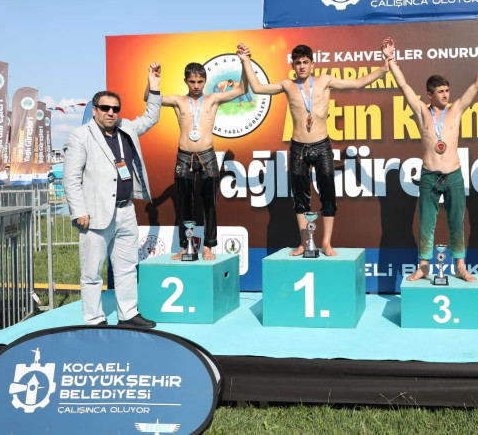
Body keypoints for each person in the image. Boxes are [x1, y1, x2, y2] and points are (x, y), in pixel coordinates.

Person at [240, 41, 391, 256]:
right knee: (300, 197)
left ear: (313, 64)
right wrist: (246, 61)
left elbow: (357, 83)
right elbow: (257, 88)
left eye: (305, 62)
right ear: (292, 65)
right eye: (298, 63)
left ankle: (326, 243)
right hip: (298, 147)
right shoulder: (287, 85)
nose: (302, 66)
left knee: (328, 194)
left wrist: (384, 67)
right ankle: (304, 243)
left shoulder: (325, 81)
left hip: (321, 145)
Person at [385, 32, 478, 282]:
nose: (445, 95)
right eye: (440, 91)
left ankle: (460, 266)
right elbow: (403, 86)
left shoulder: (457, 110)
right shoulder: (422, 112)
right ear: (429, 95)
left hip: (453, 175)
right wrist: (390, 59)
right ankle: (423, 266)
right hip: (429, 175)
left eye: (447, 90)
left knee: (456, 223)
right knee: (426, 224)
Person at [63, 64, 162, 328]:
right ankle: (94, 319)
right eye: (105, 108)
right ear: (94, 110)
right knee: (92, 272)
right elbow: (71, 178)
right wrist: (79, 211)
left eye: (115, 109)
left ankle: (128, 314)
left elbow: (151, 117)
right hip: (94, 214)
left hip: (126, 210)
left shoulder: (126, 128)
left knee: (127, 267)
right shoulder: (80, 136)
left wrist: (154, 86)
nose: (110, 113)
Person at [158, 52, 249, 260]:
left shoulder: (213, 99)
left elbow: (242, 89)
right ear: (186, 81)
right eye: (192, 82)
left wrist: (244, 62)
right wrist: (153, 81)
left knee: (209, 204)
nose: (196, 86)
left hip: (207, 155)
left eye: (200, 82)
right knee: (184, 204)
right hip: (184, 156)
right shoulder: (178, 101)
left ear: (205, 81)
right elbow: (150, 98)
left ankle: (208, 246)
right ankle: (186, 246)